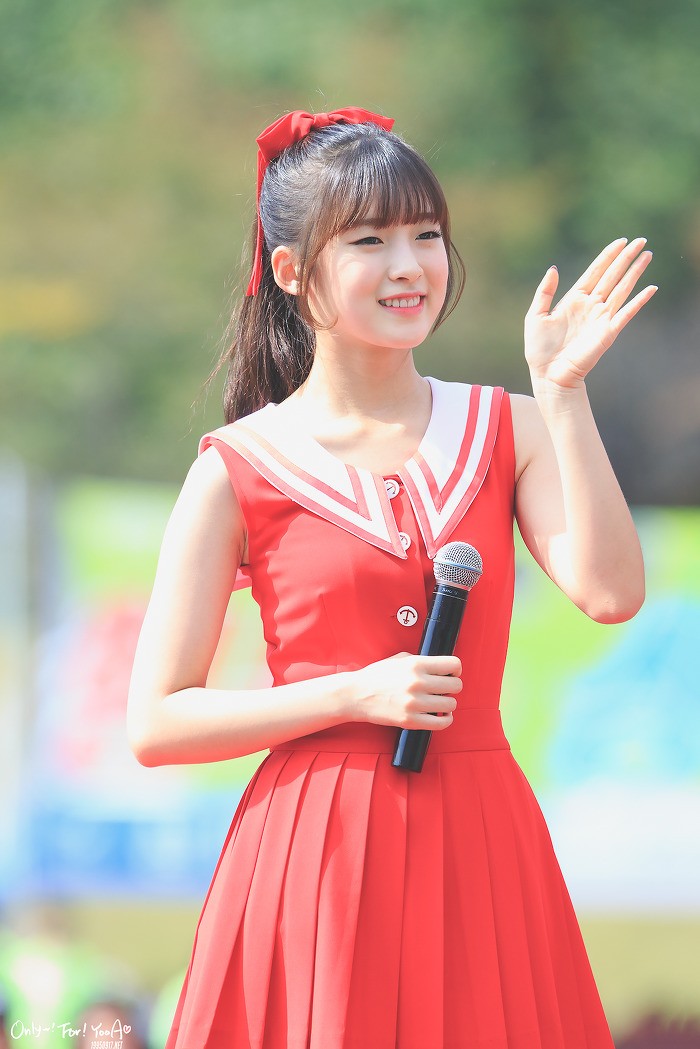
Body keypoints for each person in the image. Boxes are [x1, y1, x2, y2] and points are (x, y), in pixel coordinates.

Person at [127, 107, 655, 1048]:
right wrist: (351, 694)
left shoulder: (507, 426)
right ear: (291, 271)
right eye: (369, 241)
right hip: (313, 847)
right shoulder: (238, 467)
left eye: (427, 235)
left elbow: (611, 594)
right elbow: (157, 721)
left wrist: (563, 395)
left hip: (480, 836)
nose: (409, 266)